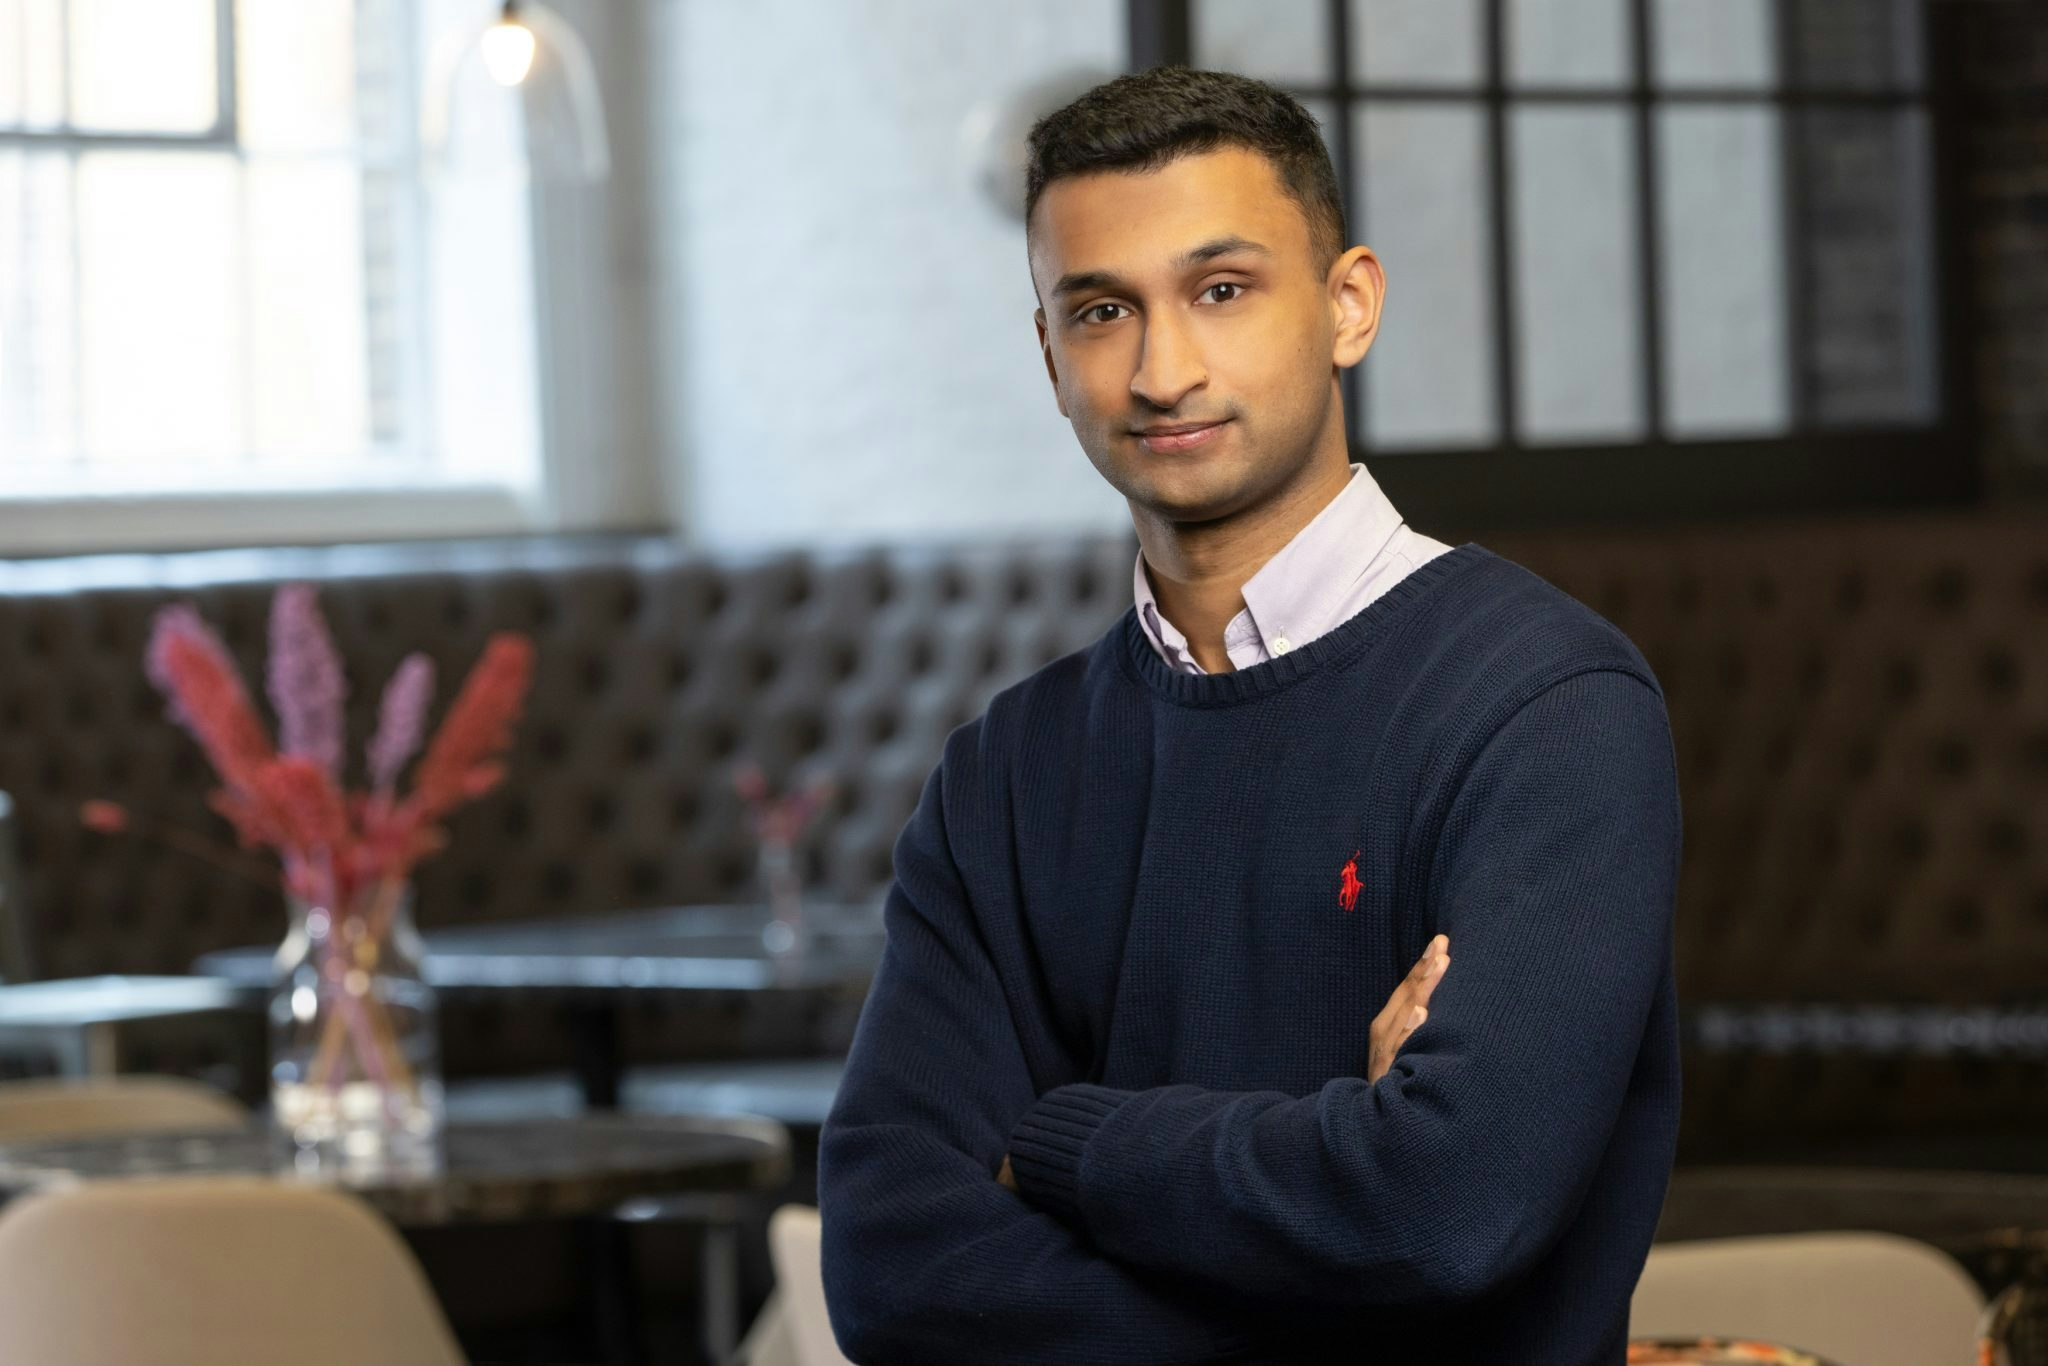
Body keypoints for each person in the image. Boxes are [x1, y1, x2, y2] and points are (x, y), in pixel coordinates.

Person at [817, 64, 1682, 1364]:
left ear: (1348, 305)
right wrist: (1339, 1230)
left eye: (1222, 290)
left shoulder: (1546, 707)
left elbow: (1451, 1210)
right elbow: (890, 1259)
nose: (1165, 369)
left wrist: (1066, 1139)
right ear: (1052, 357)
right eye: (1104, 310)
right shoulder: (1008, 771)